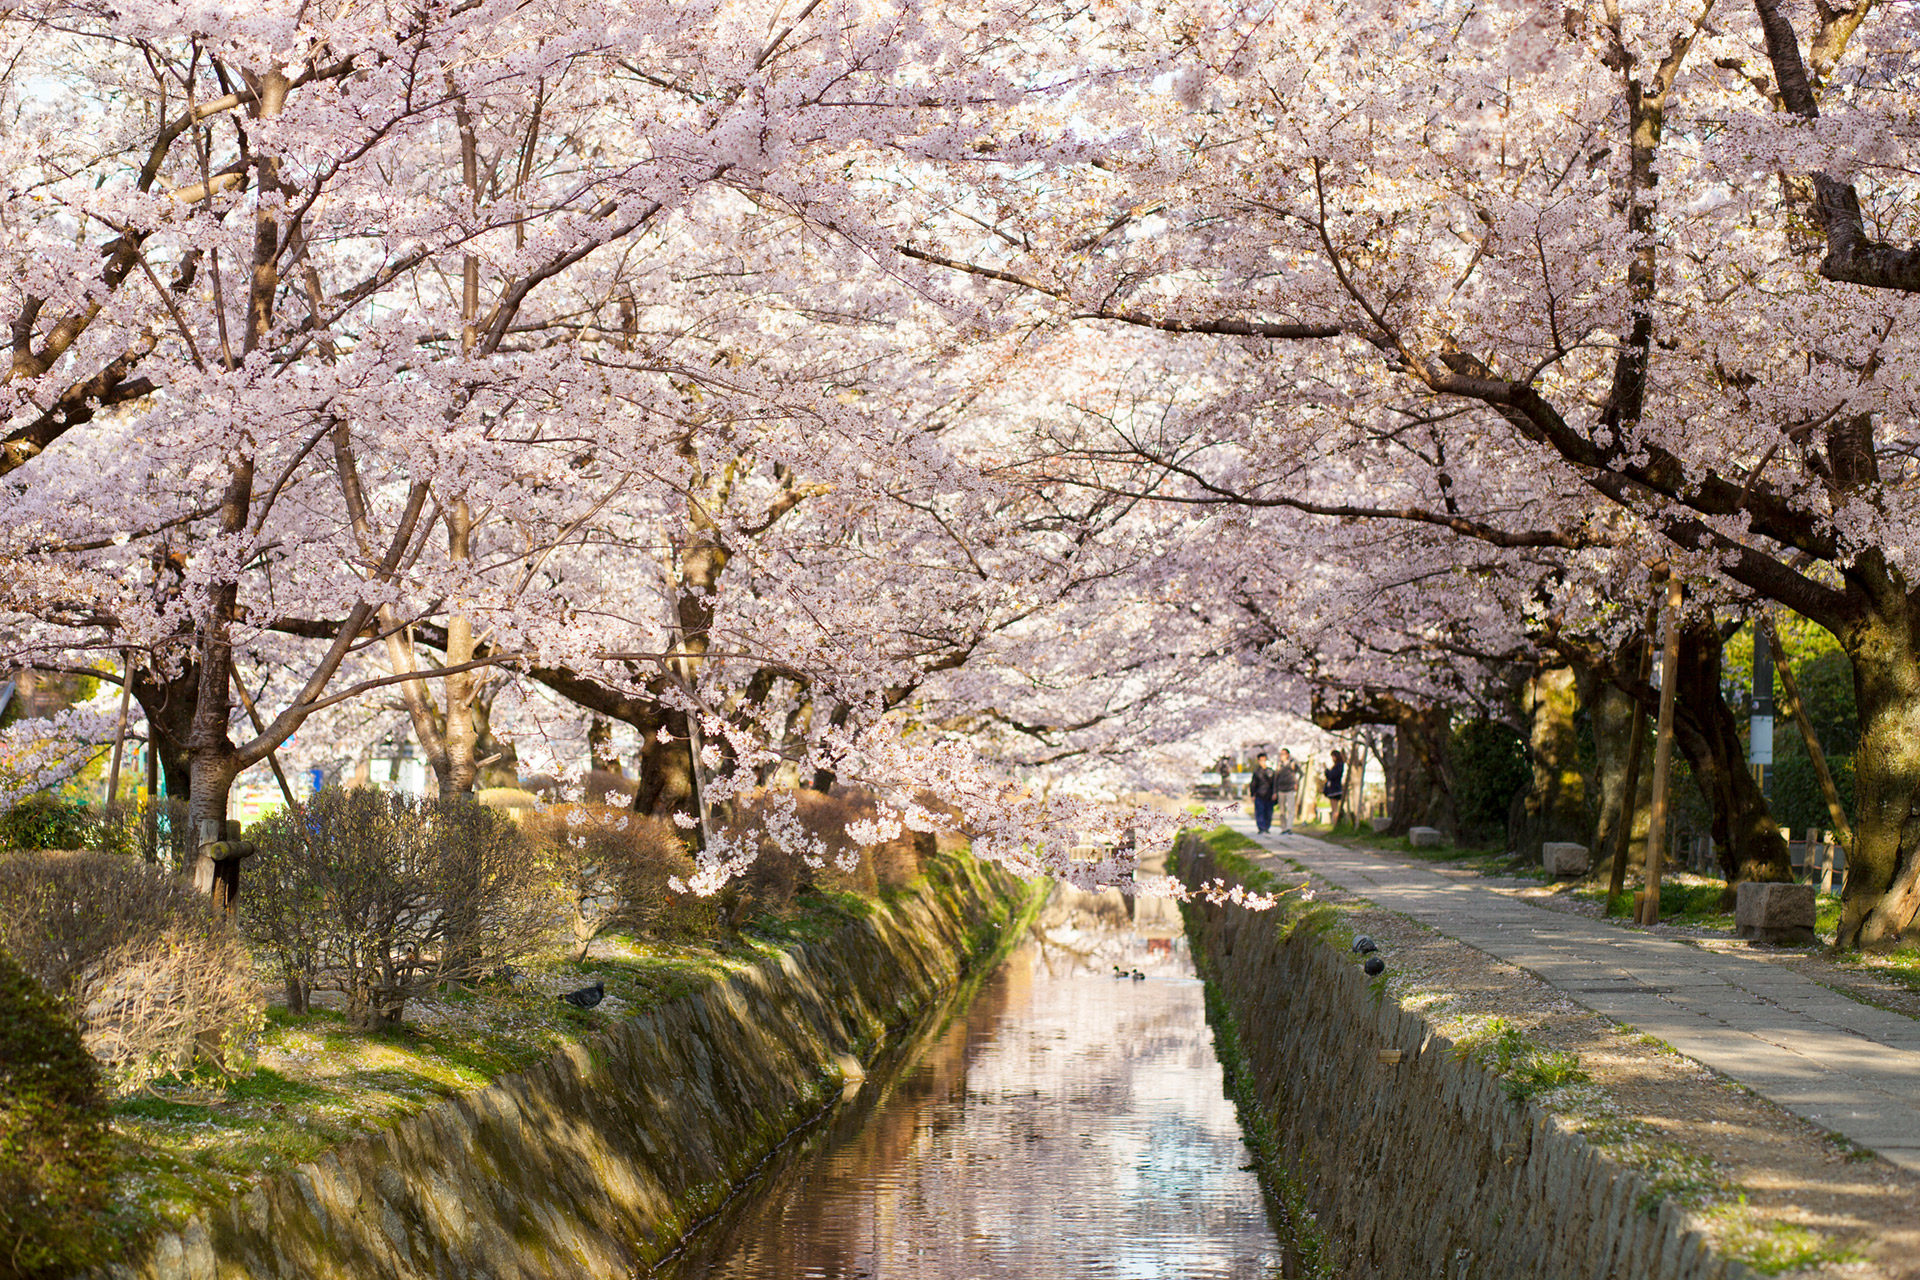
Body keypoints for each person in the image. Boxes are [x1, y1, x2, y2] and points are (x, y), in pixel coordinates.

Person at [1249, 752, 1279, 834]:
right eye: (1261, 760)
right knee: (1260, 812)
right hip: (1259, 795)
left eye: (1264, 760)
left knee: (1268, 812)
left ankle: (1267, 827)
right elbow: (1253, 784)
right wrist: (1252, 794)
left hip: (1269, 795)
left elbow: (1274, 783)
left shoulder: (1271, 771)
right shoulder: (1256, 772)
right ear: (1258, 761)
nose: (1263, 762)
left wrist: (1275, 793)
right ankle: (1261, 827)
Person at [1273, 749, 1301, 834]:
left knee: (1291, 809)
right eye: (1281, 754)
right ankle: (1283, 828)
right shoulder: (1279, 765)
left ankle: (1289, 828)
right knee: (1282, 811)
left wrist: (1296, 783)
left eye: (1284, 754)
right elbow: (1275, 778)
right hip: (1281, 789)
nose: (1282, 756)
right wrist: (1275, 791)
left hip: (1290, 789)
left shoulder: (1293, 764)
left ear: (1288, 755)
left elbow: (1300, 773)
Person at [1322, 749, 1347, 829]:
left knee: (1334, 809)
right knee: (1334, 808)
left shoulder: (1339, 766)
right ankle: (1335, 824)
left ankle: (1335, 825)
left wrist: (1326, 769)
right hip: (1335, 788)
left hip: (1335, 789)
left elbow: (1331, 776)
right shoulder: (1339, 765)